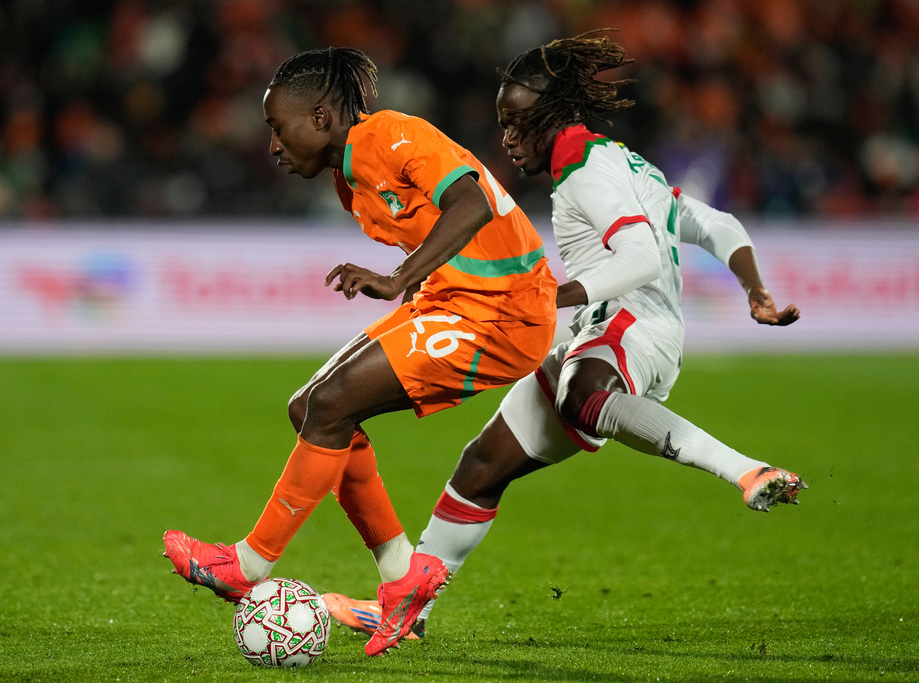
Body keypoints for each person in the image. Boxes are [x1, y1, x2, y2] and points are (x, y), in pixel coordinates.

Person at [321, 32, 806, 640]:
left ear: (552, 118)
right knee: (481, 467)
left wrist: (551, 295)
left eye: (516, 123)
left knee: (581, 392)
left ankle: (745, 470)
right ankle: (407, 615)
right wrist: (754, 287)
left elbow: (640, 259)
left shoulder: (584, 173)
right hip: (611, 330)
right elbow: (710, 221)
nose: (507, 137)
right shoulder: (619, 159)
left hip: (629, 328)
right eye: (502, 123)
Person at [161, 46, 558, 657]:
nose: (271, 143)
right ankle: (403, 573)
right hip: (453, 298)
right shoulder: (350, 176)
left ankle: (248, 563)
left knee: (334, 402)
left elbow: (474, 203)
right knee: (312, 408)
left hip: (504, 309)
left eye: (276, 126)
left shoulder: (389, 135)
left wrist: (398, 278)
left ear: (320, 118)